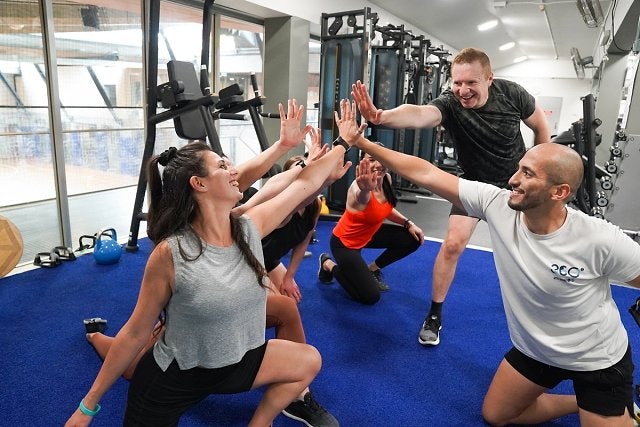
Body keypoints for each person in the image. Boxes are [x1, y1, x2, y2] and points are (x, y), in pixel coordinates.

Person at [339, 101, 640, 426]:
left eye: (527, 174)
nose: (512, 179)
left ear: (560, 191)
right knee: (496, 416)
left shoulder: (599, 239)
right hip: (535, 351)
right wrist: (361, 142)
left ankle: (609, 406)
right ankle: (580, 403)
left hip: (596, 360)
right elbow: (425, 171)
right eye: (518, 167)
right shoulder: (497, 205)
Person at [65, 99, 356, 427]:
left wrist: (344, 142)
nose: (233, 171)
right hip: (175, 377)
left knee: (308, 360)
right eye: (222, 166)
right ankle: (95, 337)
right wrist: (87, 408)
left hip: (235, 364)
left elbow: (303, 185)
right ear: (199, 184)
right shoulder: (171, 253)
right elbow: (134, 332)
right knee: (133, 366)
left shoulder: (249, 227)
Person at [352, 47, 551, 344]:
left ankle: (540, 308)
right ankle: (435, 313)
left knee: (534, 247)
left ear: (489, 79)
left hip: (514, 184)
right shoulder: (450, 103)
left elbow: (540, 126)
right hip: (471, 184)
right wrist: (382, 116)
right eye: (457, 83)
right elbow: (421, 114)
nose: (462, 90)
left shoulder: (512, 93)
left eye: (471, 83)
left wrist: (539, 169)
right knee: (453, 245)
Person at [316, 142, 425, 305]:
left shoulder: (386, 179)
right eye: (372, 159)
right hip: (345, 244)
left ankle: (371, 269)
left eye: (381, 159)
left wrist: (408, 223)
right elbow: (362, 197)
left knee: (413, 238)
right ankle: (328, 264)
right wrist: (366, 189)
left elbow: (386, 209)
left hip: (369, 235)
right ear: (362, 162)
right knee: (370, 297)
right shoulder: (358, 188)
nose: (378, 164)